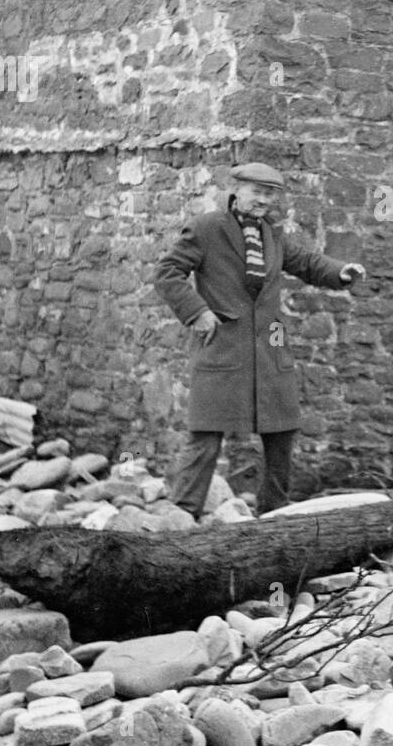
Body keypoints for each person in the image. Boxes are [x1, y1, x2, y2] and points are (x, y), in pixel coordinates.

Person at [153, 162, 365, 517]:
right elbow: (167, 273)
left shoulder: (272, 233)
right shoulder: (207, 228)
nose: (263, 200)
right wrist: (197, 312)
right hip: (223, 344)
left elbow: (306, 262)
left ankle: (273, 510)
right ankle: (183, 513)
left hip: (269, 348)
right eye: (257, 192)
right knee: (206, 432)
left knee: (281, 432)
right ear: (236, 190)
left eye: (270, 194)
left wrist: (340, 272)